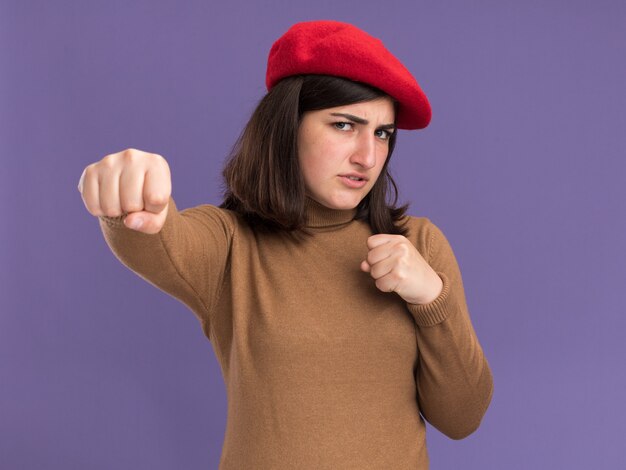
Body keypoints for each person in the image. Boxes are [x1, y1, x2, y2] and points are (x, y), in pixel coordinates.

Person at [77, 19, 493, 470]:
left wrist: (432, 298)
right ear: (286, 126)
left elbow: (462, 417)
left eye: (382, 133)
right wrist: (130, 198)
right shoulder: (230, 245)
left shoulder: (418, 244)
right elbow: (160, 241)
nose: (368, 156)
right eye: (344, 125)